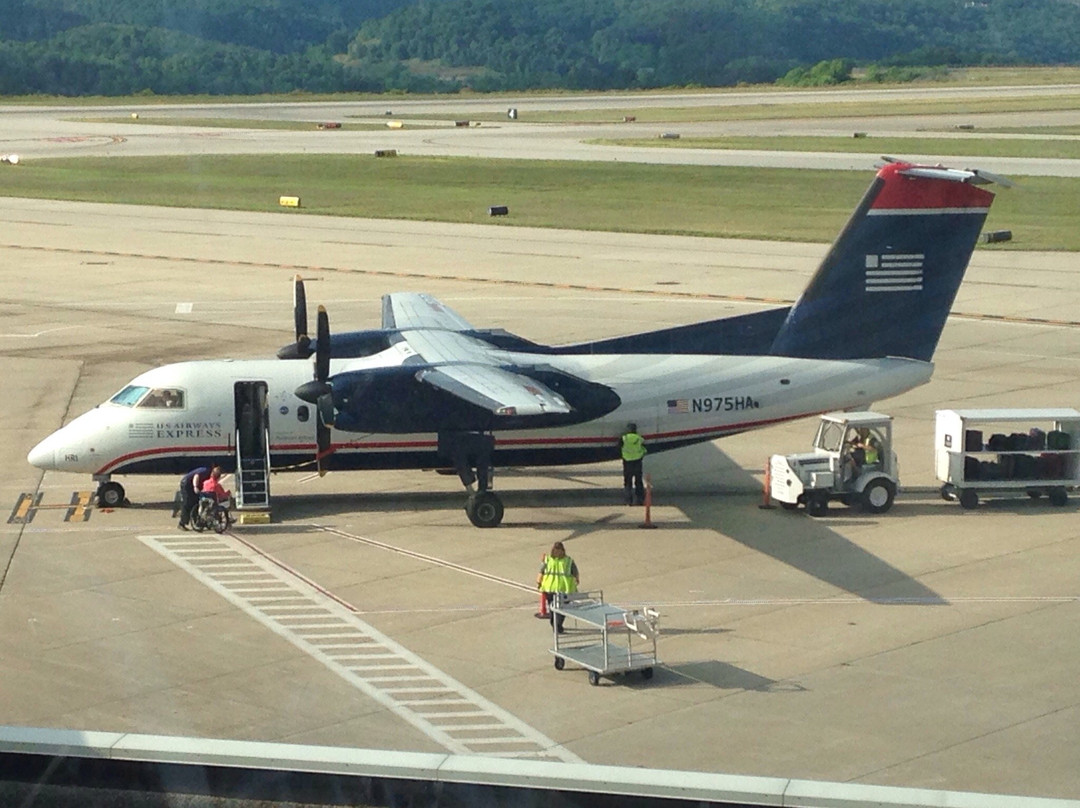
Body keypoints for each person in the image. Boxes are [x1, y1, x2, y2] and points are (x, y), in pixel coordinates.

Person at [537, 541, 579, 633]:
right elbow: (575, 573)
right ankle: (557, 626)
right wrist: (576, 582)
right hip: (564, 589)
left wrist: (539, 582)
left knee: (552, 608)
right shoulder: (568, 561)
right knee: (562, 609)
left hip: (550, 589)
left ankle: (555, 625)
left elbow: (541, 572)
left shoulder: (547, 560)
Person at [619, 422, 647, 505]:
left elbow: (618, 447)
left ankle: (628, 501)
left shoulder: (624, 438)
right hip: (637, 461)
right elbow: (644, 448)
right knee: (638, 481)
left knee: (628, 482)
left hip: (627, 462)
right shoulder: (639, 438)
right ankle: (640, 499)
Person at [177, 464, 210, 530]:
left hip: (192, 485)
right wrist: (195, 487)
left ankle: (197, 521)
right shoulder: (205, 470)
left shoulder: (208, 471)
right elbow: (196, 476)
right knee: (188, 503)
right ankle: (182, 523)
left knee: (196, 502)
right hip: (187, 484)